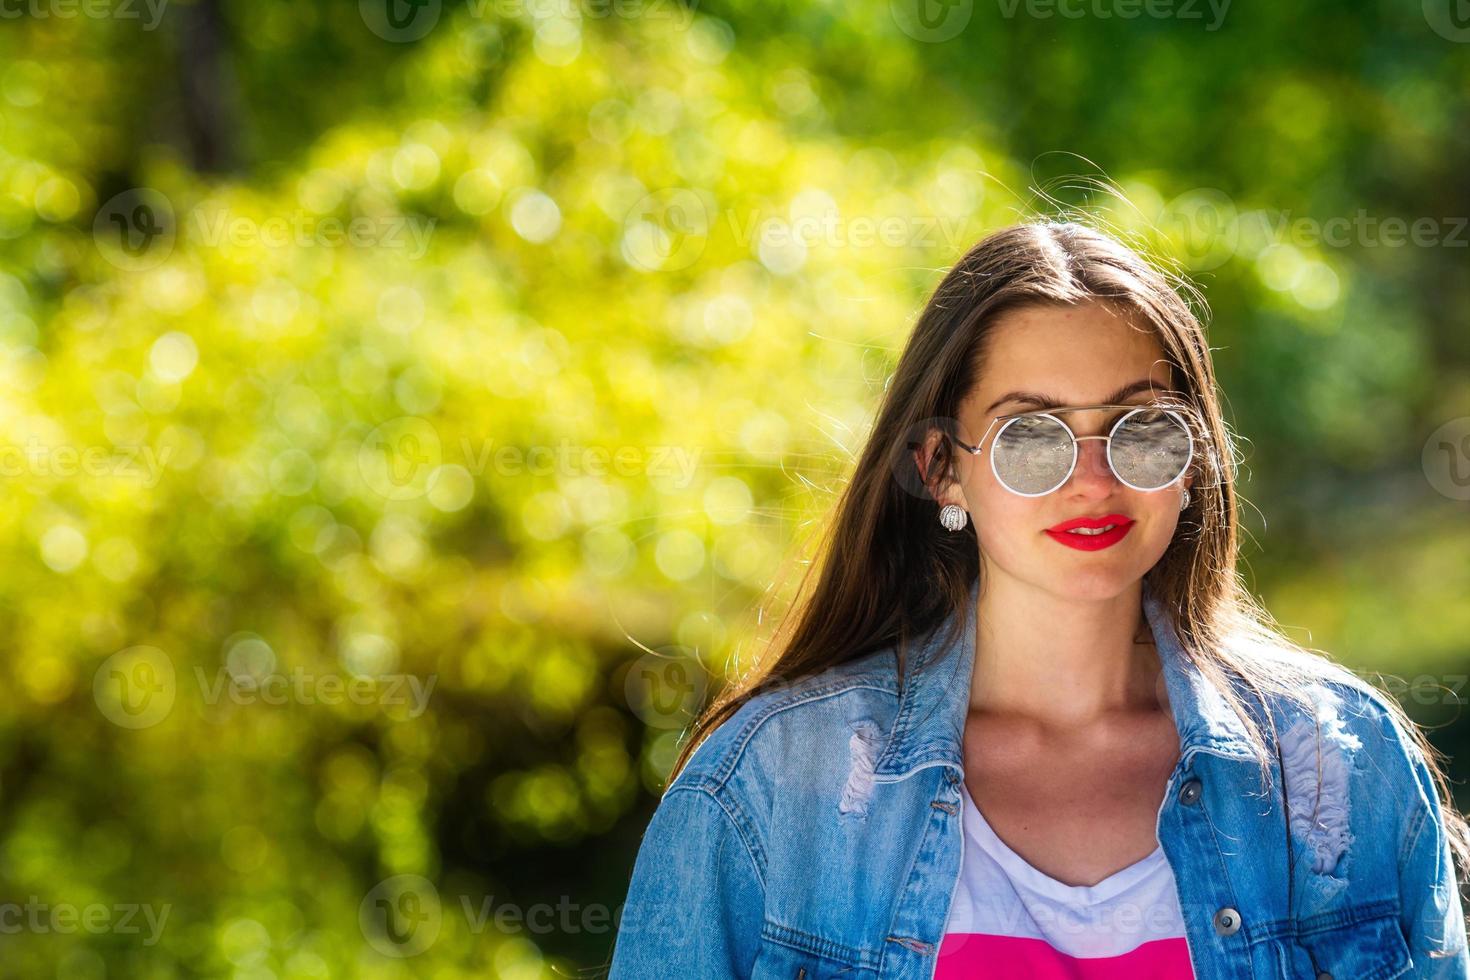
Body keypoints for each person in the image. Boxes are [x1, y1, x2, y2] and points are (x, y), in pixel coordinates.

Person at [605, 221, 1470, 978]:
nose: (1094, 481)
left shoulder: (1342, 767)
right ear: (942, 466)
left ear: (1195, 457)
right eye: (1030, 437)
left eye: (1141, 426)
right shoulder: (771, 786)